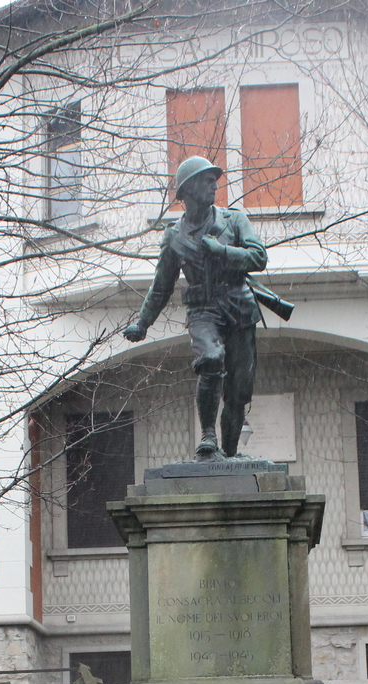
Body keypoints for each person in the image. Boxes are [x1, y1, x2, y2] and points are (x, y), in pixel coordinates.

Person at [123, 156, 291, 460]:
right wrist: (143, 323)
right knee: (211, 358)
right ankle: (208, 436)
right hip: (202, 310)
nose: (214, 185)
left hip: (239, 307)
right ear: (187, 190)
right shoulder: (174, 237)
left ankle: (228, 453)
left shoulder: (234, 220)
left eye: (215, 179)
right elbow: (162, 286)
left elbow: (259, 257)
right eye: (206, 180)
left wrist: (222, 252)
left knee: (239, 390)